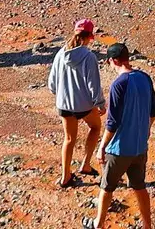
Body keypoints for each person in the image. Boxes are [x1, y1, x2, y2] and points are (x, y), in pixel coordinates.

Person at [90, 41, 155, 229]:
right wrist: (145, 132)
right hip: (139, 147)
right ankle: (147, 226)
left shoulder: (118, 84)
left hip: (119, 149)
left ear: (113, 61)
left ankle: (98, 224)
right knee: (140, 187)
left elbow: (113, 122)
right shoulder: (145, 77)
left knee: (106, 187)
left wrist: (102, 147)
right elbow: (153, 110)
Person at [48, 19, 105, 188]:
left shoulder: (60, 53)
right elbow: (93, 83)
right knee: (95, 127)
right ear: (89, 37)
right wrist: (100, 102)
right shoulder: (89, 57)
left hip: (64, 105)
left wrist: (60, 95)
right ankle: (85, 165)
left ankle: (65, 176)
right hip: (84, 105)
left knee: (69, 139)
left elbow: (52, 82)